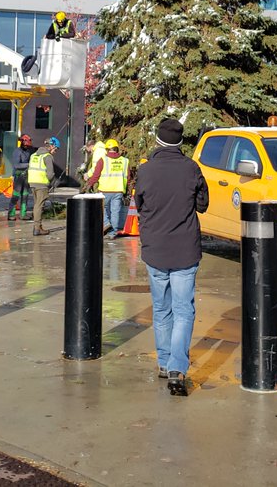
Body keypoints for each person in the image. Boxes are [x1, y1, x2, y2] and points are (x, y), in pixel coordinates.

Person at [134, 118, 208, 396]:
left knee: (161, 309)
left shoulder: (146, 170)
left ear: (158, 140)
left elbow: (139, 204)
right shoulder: (191, 169)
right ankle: (177, 367)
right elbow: (203, 203)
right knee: (183, 310)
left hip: (155, 249)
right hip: (185, 250)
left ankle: (165, 362)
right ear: (180, 141)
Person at [85, 138, 130, 237]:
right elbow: (128, 176)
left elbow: (96, 175)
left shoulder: (103, 160)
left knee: (101, 208)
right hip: (118, 190)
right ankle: (113, 233)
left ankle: (106, 224)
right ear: (117, 149)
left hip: (105, 190)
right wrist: (126, 189)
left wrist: (89, 184)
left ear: (106, 149)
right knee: (115, 211)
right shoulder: (125, 161)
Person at [27, 136, 60, 236]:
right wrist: (55, 182)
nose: (56, 151)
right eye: (56, 148)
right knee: (39, 205)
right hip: (41, 183)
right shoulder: (47, 157)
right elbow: (50, 174)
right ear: (51, 146)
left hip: (32, 182)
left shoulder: (33, 155)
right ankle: (37, 228)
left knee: (37, 204)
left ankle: (38, 226)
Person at [9, 134, 36, 222]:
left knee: (25, 195)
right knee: (16, 196)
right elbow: (16, 165)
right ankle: (11, 214)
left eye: (28, 146)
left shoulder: (28, 151)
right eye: (26, 145)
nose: (27, 147)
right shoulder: (17, 152)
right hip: (18, 176)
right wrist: (29, 165)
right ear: (22, 143)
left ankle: (23, 214)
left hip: (26, 176)